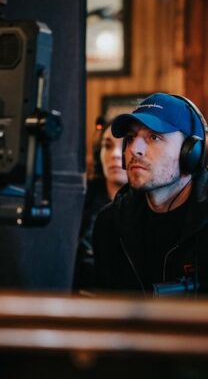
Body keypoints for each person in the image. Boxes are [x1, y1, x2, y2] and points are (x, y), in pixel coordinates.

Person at [92, 93, 208, 296]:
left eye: (154, 137)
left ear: (192, 152)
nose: (135, 149)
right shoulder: (110, 223)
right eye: (131, 138)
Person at [72, 118, 128, 290]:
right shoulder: (80, 199)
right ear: (99, 153)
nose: (115, 154)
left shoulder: (150, 205)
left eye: (124, 146)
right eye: (108, 146)